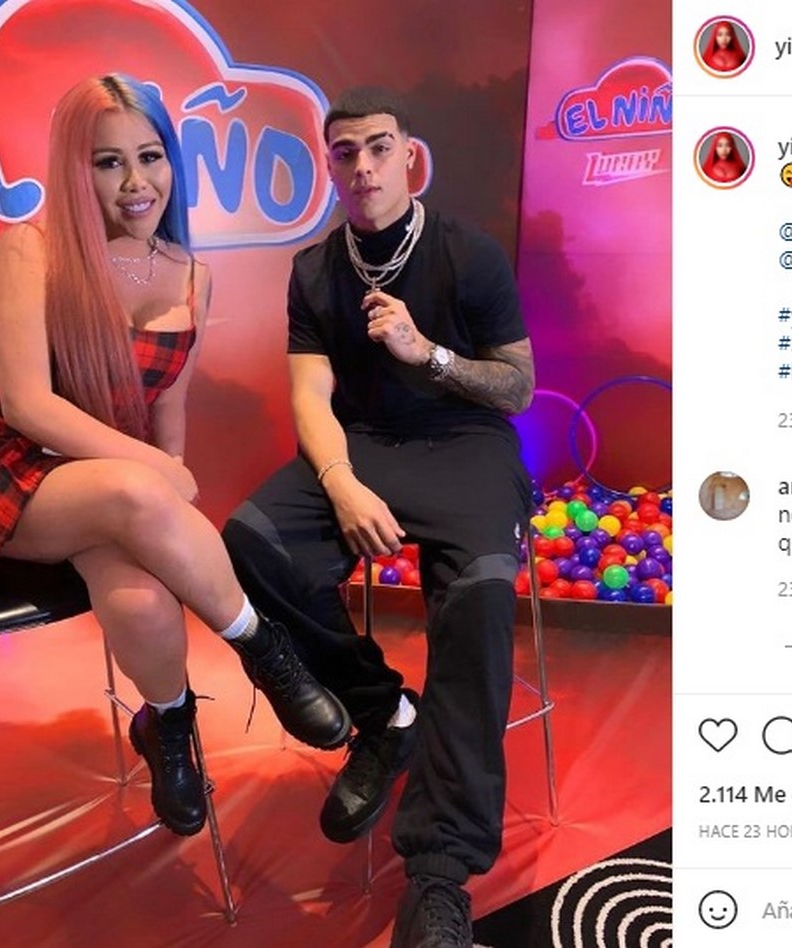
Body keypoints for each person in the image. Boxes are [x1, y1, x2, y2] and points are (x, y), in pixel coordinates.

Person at [0, 74, 348, 837]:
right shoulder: (30, 249)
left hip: (119, 496)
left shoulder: (193, 274)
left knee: (144, 601)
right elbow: (29, 405)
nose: (135, 182)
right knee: (134, 492)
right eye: (108, 162)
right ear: (73, 167)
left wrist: (162, 484)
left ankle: (168, 724)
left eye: (149, 157)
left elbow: (166, 408)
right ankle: (267, 650)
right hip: (20, 478)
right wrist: (157, 477)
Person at [221, 86, 535, 947]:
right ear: (330, 165)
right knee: (251, 542)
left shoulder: (469, 254)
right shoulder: (315, 270)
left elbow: (517, 387)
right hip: (365, 449)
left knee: (477, 601)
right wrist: (341, 482)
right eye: (345, 151)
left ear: (409, 156)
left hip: (468, 446)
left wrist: (427, 354)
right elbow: (309, 393)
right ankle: (385, 715)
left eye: (379, 147)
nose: (363, 166)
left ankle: (438, 876)